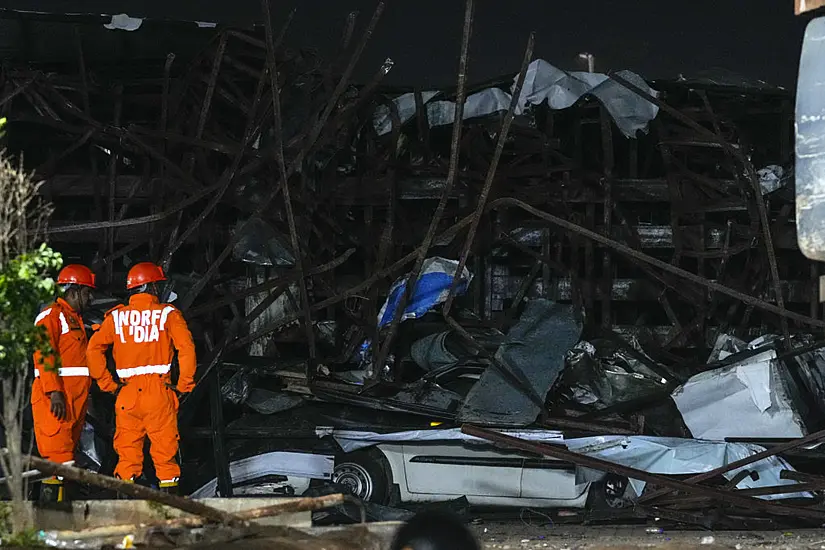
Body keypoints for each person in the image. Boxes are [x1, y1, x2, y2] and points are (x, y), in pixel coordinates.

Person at [86, 262, 196, 495]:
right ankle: (171, 513)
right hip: (159, 392)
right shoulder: (167, 314)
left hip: (127, 394)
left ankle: (126, 514)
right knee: (165, 456)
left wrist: (109, 385)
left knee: (127, 455)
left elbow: (93, 350)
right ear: (151, 288)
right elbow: (186, 348)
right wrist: (183, 386)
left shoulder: (116, 317)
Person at [32, 264, 96, 504]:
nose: (91, 298)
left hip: (73, 402)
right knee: (56, 460)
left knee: (65, 460)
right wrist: (54, 391)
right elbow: (43, 353)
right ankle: (51, 523)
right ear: (74, 290)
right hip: (57, 400)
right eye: (87, 292)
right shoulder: (52, 315)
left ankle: (59, 519)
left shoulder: (74, 319)